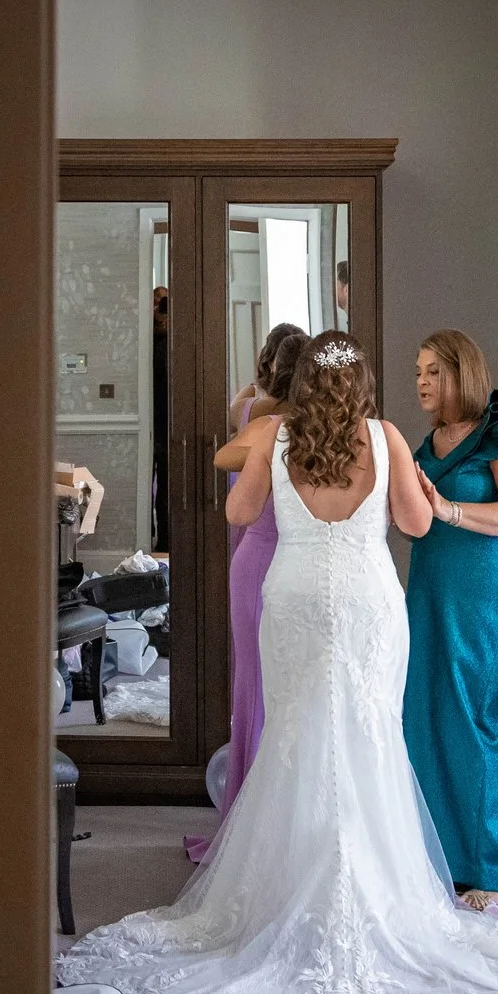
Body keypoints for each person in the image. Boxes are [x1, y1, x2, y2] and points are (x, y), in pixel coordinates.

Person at [56, 332, 498, 994]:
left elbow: (237, 506)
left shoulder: (275, 435)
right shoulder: (387, 436)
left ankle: (284, 892)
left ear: (301, 385)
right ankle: (376, 890)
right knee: (366, 739)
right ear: (364, 383)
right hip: (368, 604)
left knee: (300, 739)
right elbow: (418, 524)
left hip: (296, 599)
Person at [403, 329, 498, 912]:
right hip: (430, 581)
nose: (420, 381)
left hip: (486, 585)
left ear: (461, 374)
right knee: (425, 708)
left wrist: (446, 507)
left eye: (432, 372)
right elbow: (415, 520)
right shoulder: (427, 443)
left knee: (473, 710)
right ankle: (450, 859)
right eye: (417, 371)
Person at [185, 327, 307, 861]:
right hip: (264, 550)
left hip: (278, 553)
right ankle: (251, 822)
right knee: (258, 688)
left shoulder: (255, 409)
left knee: (278, 687)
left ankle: (283, 815)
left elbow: (236, 408)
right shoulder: (273, 423)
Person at [227, 321, 304, 432]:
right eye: (284, 358)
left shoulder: (314, 401)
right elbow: (222, 431)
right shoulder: (252, 393)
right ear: (270, 363)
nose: (291, 365)